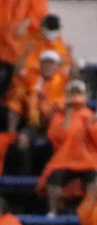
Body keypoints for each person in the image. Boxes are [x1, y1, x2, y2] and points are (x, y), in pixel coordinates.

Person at [39, 82, 97, 216]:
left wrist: (92, 124)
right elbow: (57, 138)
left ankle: (91, 210)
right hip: (64, 158)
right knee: (54, 175)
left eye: (78, 93)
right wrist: (68, 114)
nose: (75, 96)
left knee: (94, 175)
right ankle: (52, 211)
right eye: (72, 93)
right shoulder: (59, 115)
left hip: (87, 158)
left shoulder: (90, 115)